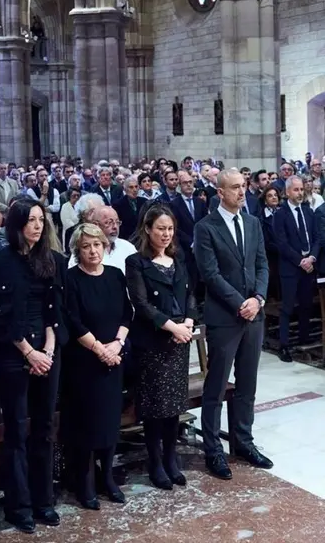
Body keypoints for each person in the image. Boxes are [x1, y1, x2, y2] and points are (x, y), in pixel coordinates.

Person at [0, 197, 67, 531]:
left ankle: (45, 500)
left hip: (47, 349)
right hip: (13, 353)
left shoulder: (52, 260)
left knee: (45, 427)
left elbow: (55, 310)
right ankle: (19, 506)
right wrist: (29, 353)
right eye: (30, 220)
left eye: (41, 220)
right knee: (16, 429)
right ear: (16, 224)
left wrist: (47, 348)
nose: (37, 225)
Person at [193, 169, 272, 481]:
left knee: (247, 384)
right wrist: (242, 303)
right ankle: (212, 449)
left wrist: (259, 299)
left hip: (255, 315)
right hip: (225, 317)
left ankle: (243, 441)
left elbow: (262, 264)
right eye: (235, 188)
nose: (242, 192)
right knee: (216, 386)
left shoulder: (252, 223)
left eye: (244, 186)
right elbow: (210, 274)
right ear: (220, 193)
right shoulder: (206, 228)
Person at [62, 223, 133, 508]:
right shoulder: (70, 278)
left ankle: (109, 478)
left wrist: (117, 344)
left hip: (114, 357)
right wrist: (100, 350)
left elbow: (127, 313)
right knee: (87, 425)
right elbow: (73, 319)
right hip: (84, 362)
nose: (93, 251)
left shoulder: (115, 275)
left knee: (109, 422)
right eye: (86, 246)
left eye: (97, 245)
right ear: (77, 250)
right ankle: (86, 482)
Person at [125, 204, 196, 490]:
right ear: (147, 229)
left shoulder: (180, 258)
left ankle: (171, 458)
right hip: (154, 340)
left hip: (180, 340)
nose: (166, 234)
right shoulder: (136, 262)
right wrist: (173, 327)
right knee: (155, 407)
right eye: (160, 229)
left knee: (174, 406)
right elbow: (141, 305)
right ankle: (155, 462)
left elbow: (191, 294)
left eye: (170, 229)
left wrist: (189, 322)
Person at [270, 175, 322, 361]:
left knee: (307, 304)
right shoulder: (280, 214)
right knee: (288, 307)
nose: (300, 193)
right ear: (287, 192)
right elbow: (282, 243)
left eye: (301, 189)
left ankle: (304, 336)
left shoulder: (308, 211)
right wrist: (301, 261)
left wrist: (312, 257)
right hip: (291, 268)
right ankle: (284, 345)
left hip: (309, 265)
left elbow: (317, 237)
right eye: (296, 190)